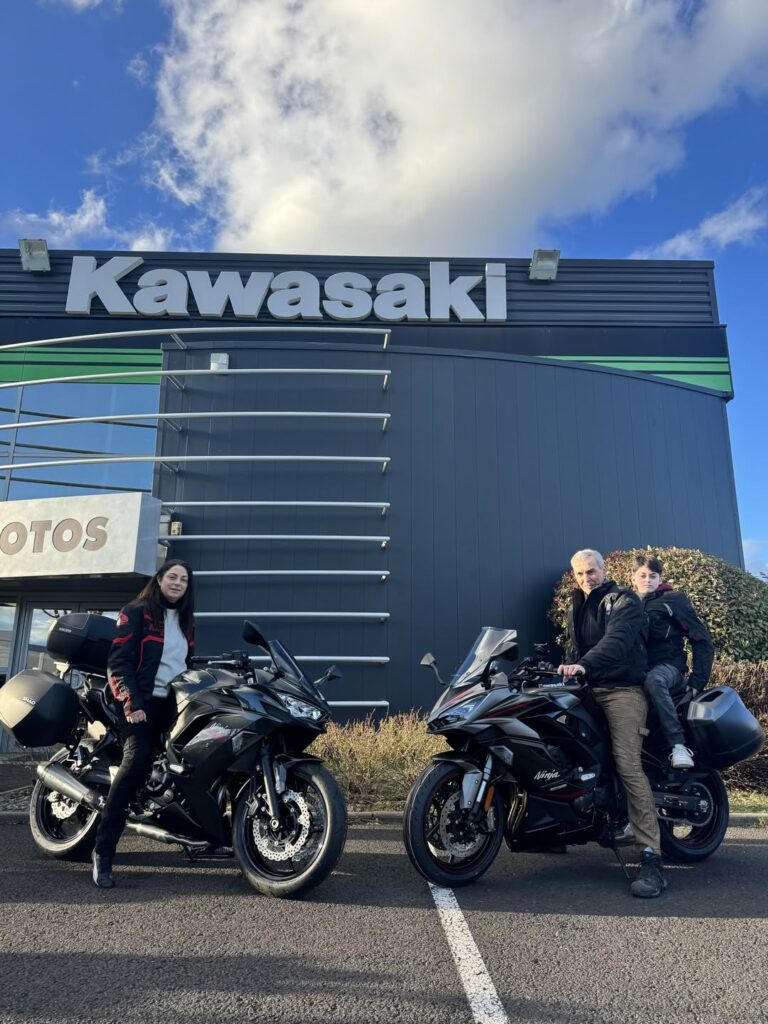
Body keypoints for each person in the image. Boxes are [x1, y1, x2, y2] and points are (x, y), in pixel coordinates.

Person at [558, 548, 666, 899]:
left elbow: (617, 642)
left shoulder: (624, 601)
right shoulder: (576, 605)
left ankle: (651, 857)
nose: (586, 578)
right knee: (560, 747)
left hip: (623, 690)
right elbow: (573, 650)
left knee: (627, 764)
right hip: (586, 690)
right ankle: (557, 828)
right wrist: (560, 669)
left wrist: (584, 665)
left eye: (591, 571)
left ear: (604, 570)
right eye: (579, 574)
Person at [91, 559, 195, 888]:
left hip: (171, 703)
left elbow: (186, 664)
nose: (178, 583)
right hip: (139, 700)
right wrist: (131, 702)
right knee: (137, 761)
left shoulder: (187, 621)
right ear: (159, 579)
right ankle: (103, 851)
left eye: (184, 580)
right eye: (173, 577)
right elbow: (119, 660)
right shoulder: (137, 611)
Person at [631, 553, 714, 769]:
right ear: (633, 578)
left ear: (660, 578)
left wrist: (698, 681)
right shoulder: (627, 604)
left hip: (669, 667)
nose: (647, 580)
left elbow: (701, 640)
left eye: (653, 576)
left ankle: (678, 746)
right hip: (638, 670)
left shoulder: (673, 600)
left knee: (654, 680)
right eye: (642, 575)